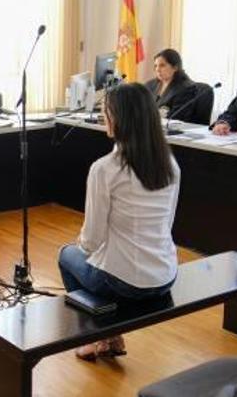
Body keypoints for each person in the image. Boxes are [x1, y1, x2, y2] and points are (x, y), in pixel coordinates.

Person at [58, 83, 180, 361]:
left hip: (126, 283)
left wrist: (84, 247)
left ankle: (96, 335)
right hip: (165, 275)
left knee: (66, 255)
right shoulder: (170, 164)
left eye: (105, 112)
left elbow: (91, 241)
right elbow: (168, 223)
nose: (103, 118)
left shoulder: (105, 168)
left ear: (119, 119)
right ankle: (111, 335)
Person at [144, 48, 198, 122]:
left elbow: (177, 118)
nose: (157, 69)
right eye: (156, 66)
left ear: (175, 67)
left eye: (162, 65)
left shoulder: (186, 88)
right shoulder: (150, 85)